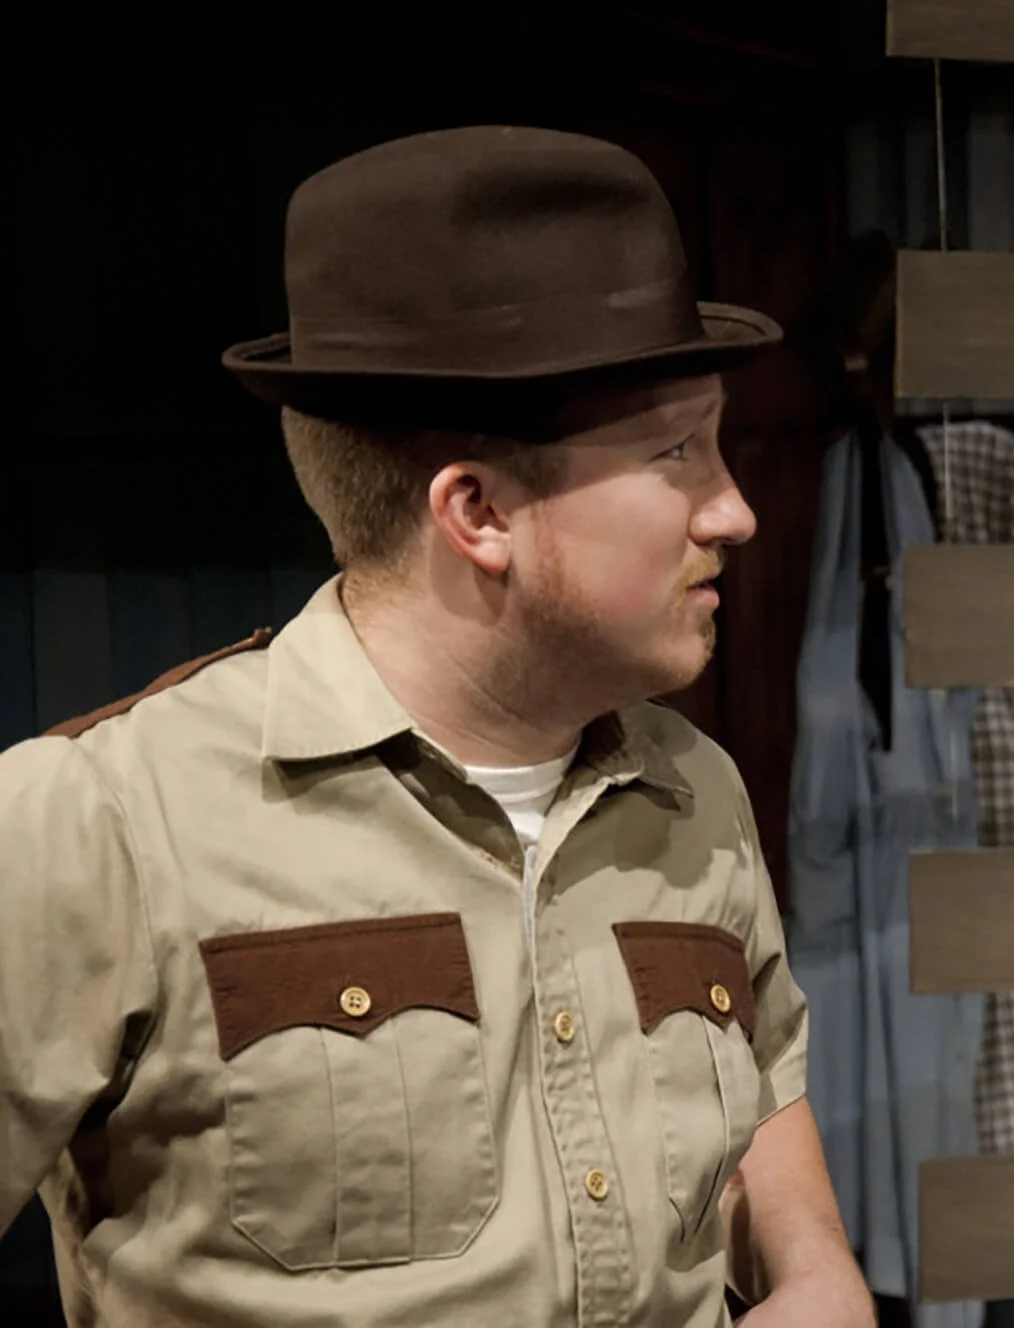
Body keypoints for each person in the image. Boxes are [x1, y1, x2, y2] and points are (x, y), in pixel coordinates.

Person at [0, 126, 873, 1328]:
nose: (733, 508)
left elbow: (757, 1078)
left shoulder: (692, 791)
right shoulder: (98, 817)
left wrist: (816, 1266)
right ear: (476, 511)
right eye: (675, 452)